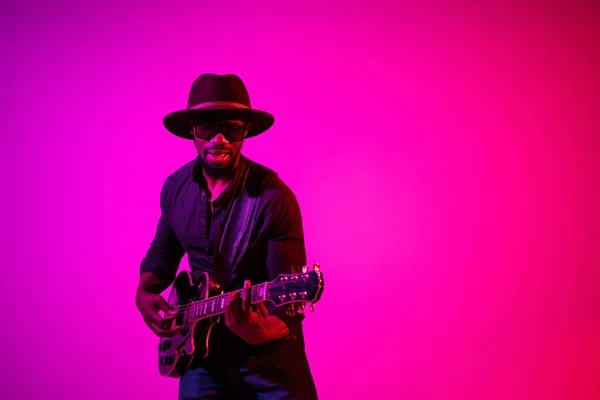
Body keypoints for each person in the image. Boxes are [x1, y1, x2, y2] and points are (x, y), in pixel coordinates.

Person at [135, 73, 319, 400]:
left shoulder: (273, 197)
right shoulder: (176, 189)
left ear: (245, 132)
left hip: (270, 362)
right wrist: (144, 291)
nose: (219, 137)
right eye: (208, 126)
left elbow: (289, 312)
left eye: (232, 127)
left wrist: (256, 329)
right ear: (193, 128)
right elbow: (162, 254)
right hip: (201, 357)